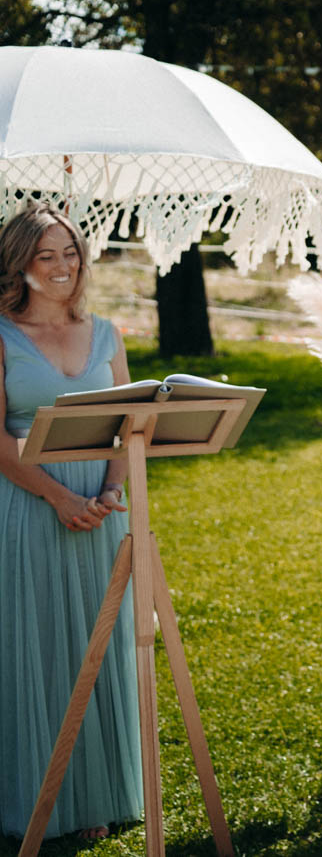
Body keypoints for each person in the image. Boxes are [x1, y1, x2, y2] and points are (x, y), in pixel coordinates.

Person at [0, 202, 141, 842]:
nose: (62, 267)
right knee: (34, 643)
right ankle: (34, 801)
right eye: (45, 255)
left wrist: (112, 490)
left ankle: (94, 798)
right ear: (19, 264)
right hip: (28, 501)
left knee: (97, 643)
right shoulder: (2, 334)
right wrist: (58, 498)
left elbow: (129, 424)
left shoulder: (106, 332)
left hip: (99, 509)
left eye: (71, 253)